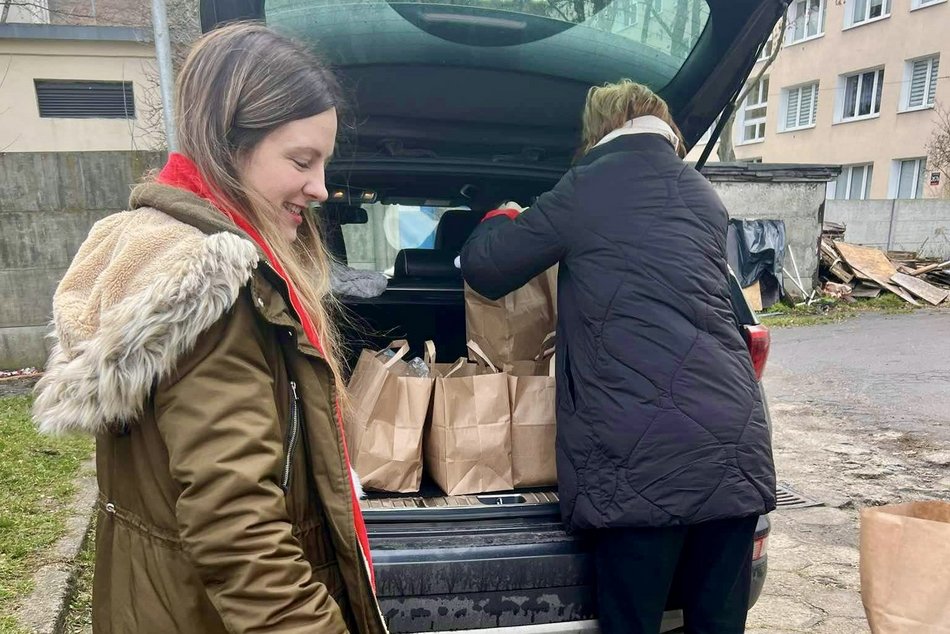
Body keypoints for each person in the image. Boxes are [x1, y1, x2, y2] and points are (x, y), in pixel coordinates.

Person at [33, 23, 386, 634]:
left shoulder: (156, 253)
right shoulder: (215, 294)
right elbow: (240, 531)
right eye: (301, 161)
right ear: (228, 146)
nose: (321, 188)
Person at [461, 79, 776, 633]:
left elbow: (487, 270)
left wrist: (500, 217)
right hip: (733, 442)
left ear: (598, 128)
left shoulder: (588, 184)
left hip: (639, 453)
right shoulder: (701, 192)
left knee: (631, 622)